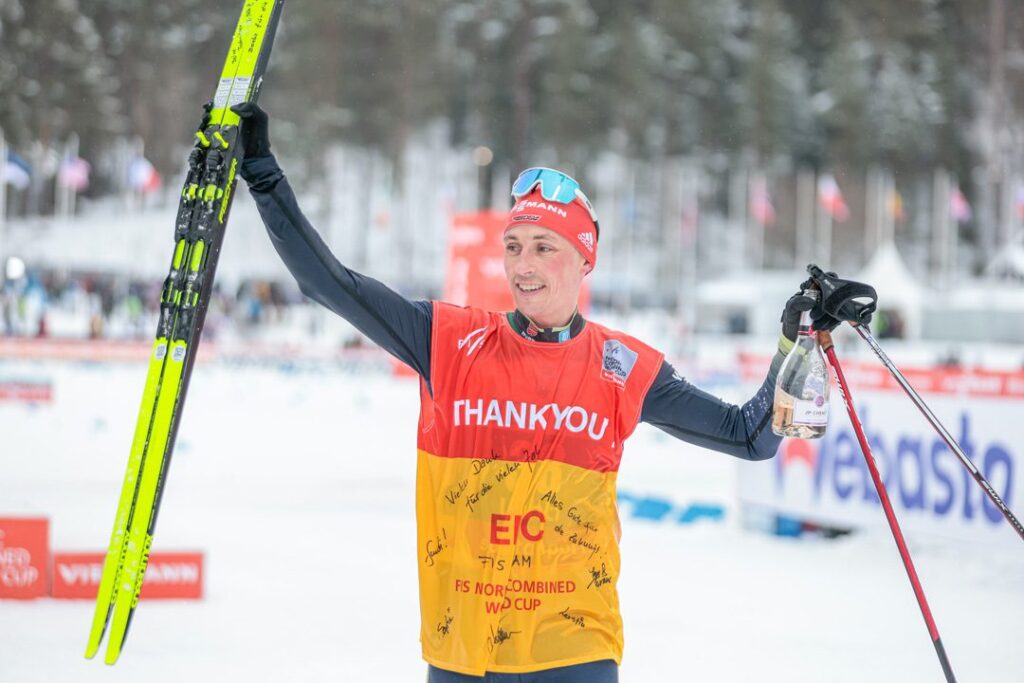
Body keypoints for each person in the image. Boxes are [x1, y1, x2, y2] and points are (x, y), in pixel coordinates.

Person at [232, 102, 819, 682]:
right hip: (465, 650)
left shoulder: (624, 367)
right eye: (514, 247)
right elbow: (326, 283)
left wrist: (796, 342)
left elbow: (750, 436)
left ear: (584, 259)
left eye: (545, 247)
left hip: (575, 649)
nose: (524, 265)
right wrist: (262, 173)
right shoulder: (448, 340)